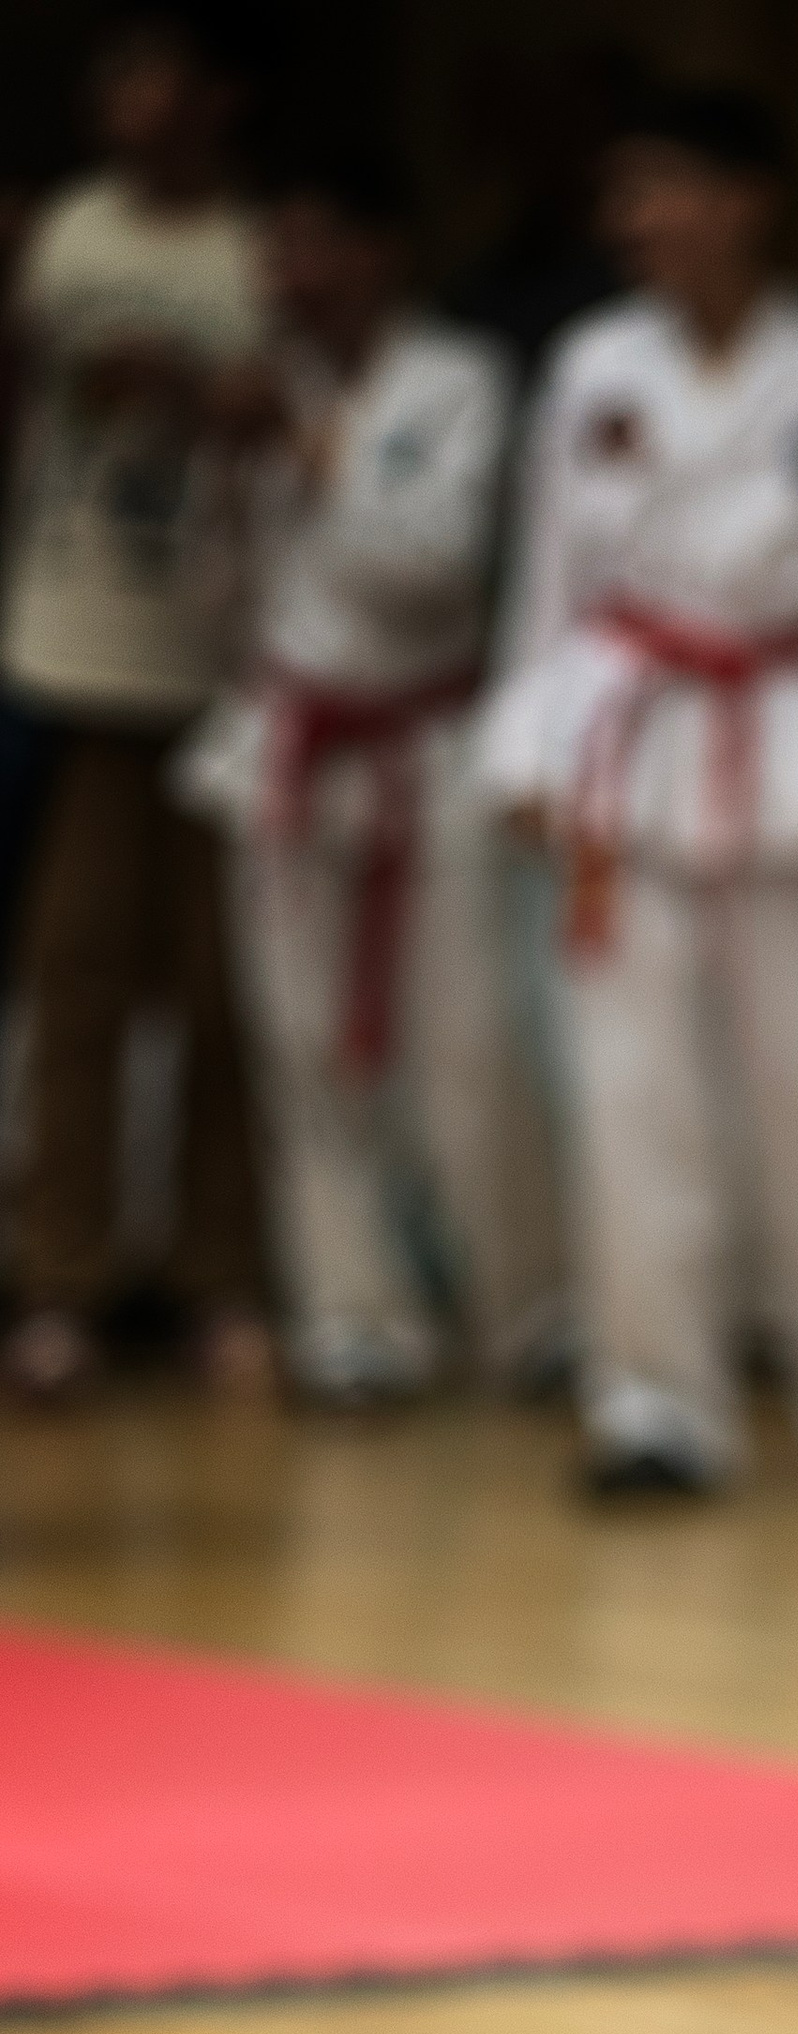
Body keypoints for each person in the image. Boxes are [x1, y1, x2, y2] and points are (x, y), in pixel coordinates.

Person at [479, 83, 798, 1494]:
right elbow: (552, 580)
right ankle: (655, 1404)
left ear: (746, 198)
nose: (633, 223)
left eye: (660, 188)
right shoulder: (594, 367)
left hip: (793, 752)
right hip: (631, 749)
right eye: (624, 196)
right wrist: (528, 745)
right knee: (631, 1093)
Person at [177, 153, 556, 1403]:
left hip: (421, 747)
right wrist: (230, 475)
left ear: (381, 251)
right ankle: (354, 1320)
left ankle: (524, 1314)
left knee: (463, 1052)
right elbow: (211, 602)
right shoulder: (249, 395)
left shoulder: (457, 379)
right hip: (283, 749)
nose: (289, 272)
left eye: (316, 242)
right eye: (275, 248)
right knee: (299, 1053)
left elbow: (436, 568)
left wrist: (305, 445)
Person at [2, 7, 268, 1402]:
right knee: (76, 974)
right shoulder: (68, 238)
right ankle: (61, 1280)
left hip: (218, 669)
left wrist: (215, 397)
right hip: (78, 651)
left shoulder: (252, 252)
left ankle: (222, 1279)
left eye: (153, 70)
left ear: (213, 96)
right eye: (112, 74)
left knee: (227, 997)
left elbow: (287, 419)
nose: (126, 97)